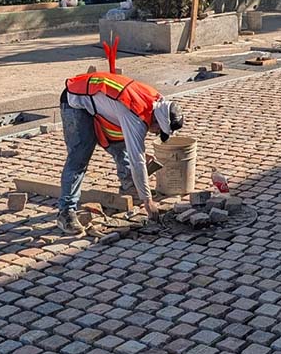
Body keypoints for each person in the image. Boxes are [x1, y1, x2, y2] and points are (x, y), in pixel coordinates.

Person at [57, 71, 185, 236]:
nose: (155, 133)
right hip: (75, 100)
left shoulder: (158, 102)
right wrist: (148, 201)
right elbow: (136, 160)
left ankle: (129, 189)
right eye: (158, 131)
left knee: (120, 145)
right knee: (79, 157)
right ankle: (65, 212)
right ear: (157, 121)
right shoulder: (134, 117)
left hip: (100, 104)